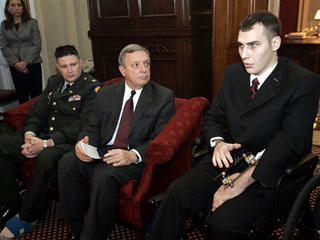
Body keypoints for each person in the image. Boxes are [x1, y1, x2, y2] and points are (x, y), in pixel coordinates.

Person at [149, 11, 320, 240]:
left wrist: (240, 183)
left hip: (270, 169)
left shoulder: (301, 82)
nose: (244, 55)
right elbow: (213, 117)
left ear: (275, 43)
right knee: (176, 194)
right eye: (241, 46)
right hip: (231, 158)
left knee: (223, 222)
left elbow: (290, 142)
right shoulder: (233, 74)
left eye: (253, 45)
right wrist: (218, 142)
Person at [58, 43, 175, 240]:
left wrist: (133, 155)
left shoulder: (162, 97)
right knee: (68, 162)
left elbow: (160, 139)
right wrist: (84, 143)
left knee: (104, 174)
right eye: (136, 65)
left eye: (146, 63)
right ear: (122, 70)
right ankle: (76, 226)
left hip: (134, 157)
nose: (144, 69)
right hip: (104, 150)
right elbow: (92, 126)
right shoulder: (106, 93)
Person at [0, 45, 101, 239]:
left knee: (46, 157)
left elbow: (82, 126)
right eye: (64, 66)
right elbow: (38, 112)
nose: (70, 70)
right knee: (3, 143)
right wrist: (30, 134)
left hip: (68, 142)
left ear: (80, 64)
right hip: (43, 135)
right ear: (58, 67)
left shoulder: (92, 87)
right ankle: (11, 202)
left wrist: (45, 144)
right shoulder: (54, 82)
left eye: (73, 64)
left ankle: (28, 216)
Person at [0, 0, 42, 104]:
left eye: (19, 5)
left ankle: (38, 120)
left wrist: (25, 62)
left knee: (36, 97)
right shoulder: (4, 25)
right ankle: (25, 120)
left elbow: (37, 45)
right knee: (22, 98)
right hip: (15, 66)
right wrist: (16, 63)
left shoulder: (32, 23)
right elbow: (4, 46)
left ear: (23, 8)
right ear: (8, 8)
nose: (16, 8)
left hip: (33, 63)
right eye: (13, 5)